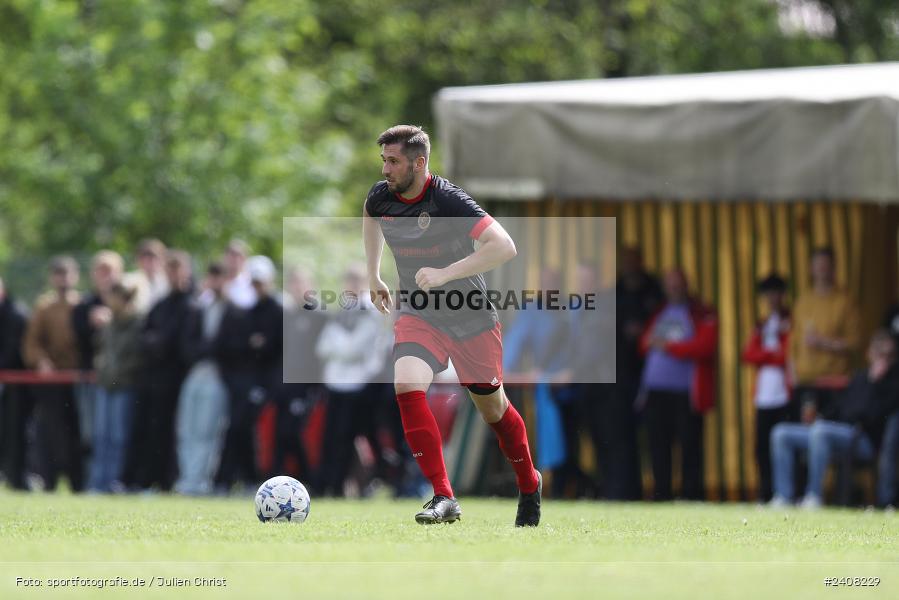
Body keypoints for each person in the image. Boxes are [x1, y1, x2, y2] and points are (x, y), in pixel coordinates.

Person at [363, 124, 540, 526]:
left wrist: (445, 273)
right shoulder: (381, 195)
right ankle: (443, 496)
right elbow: (370, 216)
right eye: (383, 161)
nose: (386, 170)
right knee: (406, 385)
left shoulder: (449, 200)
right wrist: (374, 275)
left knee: (493, 409)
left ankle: (529, 484)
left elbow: (504, 246)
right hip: (419, 313)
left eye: (393, 161)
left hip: (470, 315)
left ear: (419, 163)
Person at [770, 330, 899, 509]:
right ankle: (783, 496)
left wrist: (876, 383)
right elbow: (840, 407)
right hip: (837, 432)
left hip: (863, 439)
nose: (883, 359)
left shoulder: (891, 384)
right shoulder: (859, 377)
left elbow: (873, 415)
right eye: (879, 353)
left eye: (889, 355)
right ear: (870, 353)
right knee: (781, 433)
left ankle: (814, 496)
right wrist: (820, 417)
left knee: (820, 431)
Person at [639, 268, 718, 501]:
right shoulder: (659, 313)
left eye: (677, 283)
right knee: (658, 446)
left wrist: (670, 347)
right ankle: (661, 495)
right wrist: (655, 343)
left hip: (686, 393)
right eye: (669, 284)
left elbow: (705, 346)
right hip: (655, 392)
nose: (673, 288)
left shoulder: (701, 312)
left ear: (686, 284)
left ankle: (691, 496)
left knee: (689, 446)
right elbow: (644, 344)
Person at [125, 250, 195, 491]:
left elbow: (174, 342)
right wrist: (158, 342)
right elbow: (145, 337)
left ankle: (167, 479)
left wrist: (159, 342)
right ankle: (148, 478)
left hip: (175, 378)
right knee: (149, 428)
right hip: (154, 378)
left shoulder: (191, 303)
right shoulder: (162, 304)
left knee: (170, 430)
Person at [21, 256, 83, 491]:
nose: (63, 278)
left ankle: (79, 482)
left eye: (67, 273)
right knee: (51, 432)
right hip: (52, 380)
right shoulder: (44, 307)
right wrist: (42, 361)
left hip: (79, 380)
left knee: (79, 432)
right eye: (58, 273)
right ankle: (50, 481)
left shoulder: (81, 304)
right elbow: (31, 342)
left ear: (75, 276)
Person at [174, 263, 232, 495]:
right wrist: (206, 349)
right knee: (187, 429)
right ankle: (187, 478)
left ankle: (200, 480)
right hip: (194, 374)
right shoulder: (197, 308)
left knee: (207, 431)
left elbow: (228, 348)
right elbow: (187, 346)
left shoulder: (234, 310)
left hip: (216, 377)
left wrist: (208, 349)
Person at [789, 247, 862, 420]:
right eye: (818, 265)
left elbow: (855, 343)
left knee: (826, 433)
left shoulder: (845, 301)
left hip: (834, 383)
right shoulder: (803, 301)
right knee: (805, 434)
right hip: (806, 382)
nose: (821, 269)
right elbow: (794, 341)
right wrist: (792, 373)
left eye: (825, 265)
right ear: (810, 269)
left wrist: (823, 342)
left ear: (833, 267)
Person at [741, 274, 792, 502]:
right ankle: (766, 492)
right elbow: (748, 354)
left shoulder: (790, 321)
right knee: (761, 448)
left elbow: (789, 354)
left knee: (784, 444)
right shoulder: (762, 325)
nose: (772, 298)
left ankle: (787, 491)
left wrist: (769, 355)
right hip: (764, 394)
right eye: (768, 294)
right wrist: (771, 355)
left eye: (776, 293)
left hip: (785, 393)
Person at [88, 283, 142, 493]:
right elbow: (100, 350)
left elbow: (135, 357)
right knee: (101, 436)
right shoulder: (108, 324)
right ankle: (98, 481)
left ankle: (114, 480)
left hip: (124, 386)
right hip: (105, 385)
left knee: (118, 437)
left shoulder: (136, 323)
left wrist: (118, 374)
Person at [0, 276, 29, 489]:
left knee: (14, 431)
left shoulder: (16, 314)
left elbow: (12, 351)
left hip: (15, 386)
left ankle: (16, 477)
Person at [125, 238, 170, 314]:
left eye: (154, 256)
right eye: (145, 256)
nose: (150, 261)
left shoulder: (169, 281)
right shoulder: (128, 281)